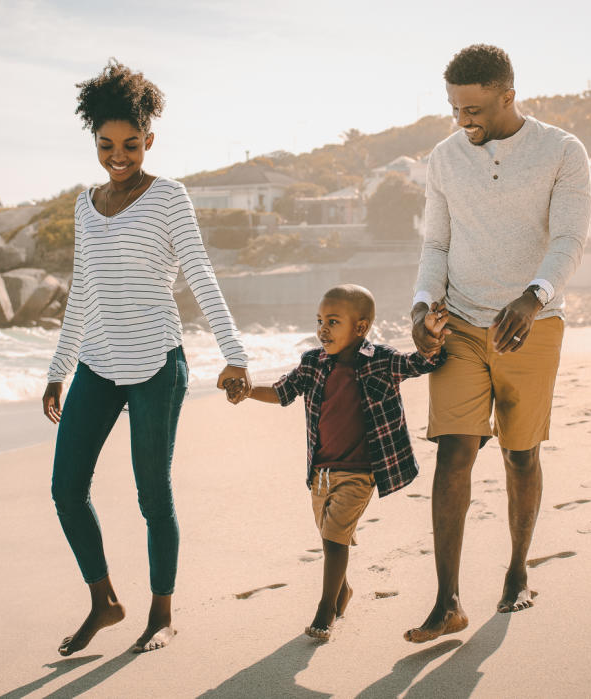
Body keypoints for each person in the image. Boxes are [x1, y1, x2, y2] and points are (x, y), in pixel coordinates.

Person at [42, 59, 252, 656]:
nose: (118, 156)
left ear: (148, 141)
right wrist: (59, 368)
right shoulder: (86, 205)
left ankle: (161, 613)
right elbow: (83, 288)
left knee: (152, 497)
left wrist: (234, 354)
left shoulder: (169, 199)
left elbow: (200, 274)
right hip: (98, 365)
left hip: (158, 367)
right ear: (95, 142)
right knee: (65, 488)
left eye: (131, 145)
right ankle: (104, 600)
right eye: (107, 145)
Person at [405, 44, 591, 643]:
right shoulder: (443, 157)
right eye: (456, 110)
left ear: (508, 96)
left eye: (475, 110)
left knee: (520, 454)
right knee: (452, 453)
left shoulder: (563, 152)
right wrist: (419, 307)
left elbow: (568, 238)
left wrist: (533, 297)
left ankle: (516, 571)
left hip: (531, 326)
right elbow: (435, 246)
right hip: (457, 322)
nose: (464, 122)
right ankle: (447, 601)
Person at [230, 284, 446, 640]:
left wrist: (434, 336)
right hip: (320, 472)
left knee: (334, 538)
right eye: (319, 321)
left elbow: (420, 363)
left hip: (361, 473)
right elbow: (284, 391)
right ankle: (342, 590)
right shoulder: (312, 362)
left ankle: (325, 609)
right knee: (330, 534)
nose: (322, 330)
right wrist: (249, 390)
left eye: (333, 321)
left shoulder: (381, 359)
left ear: (360, 328)